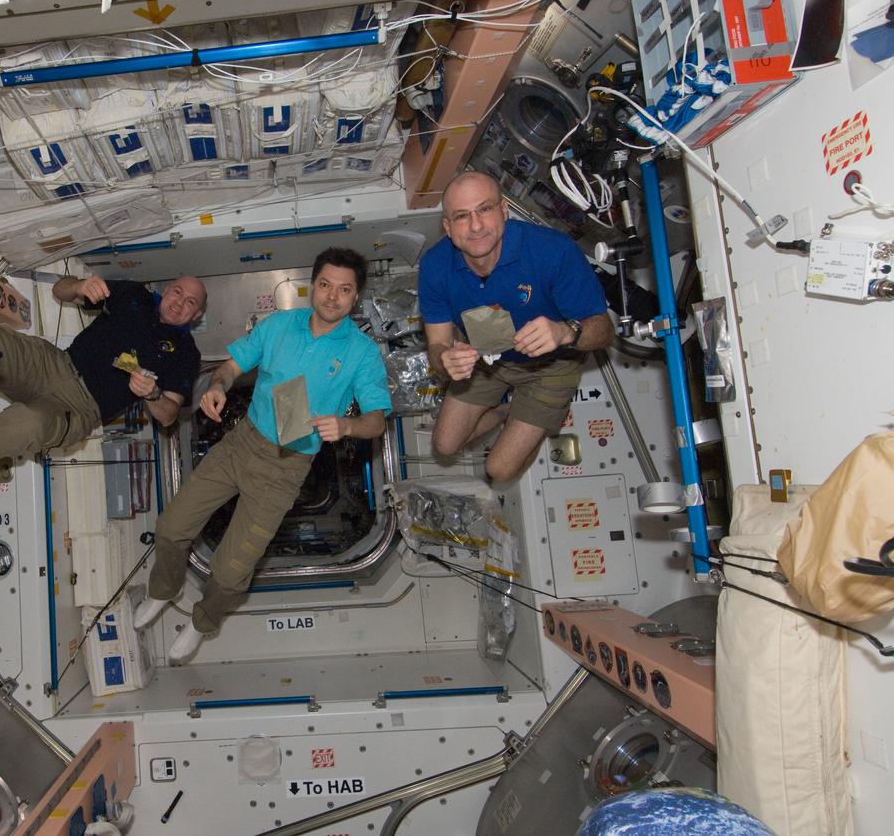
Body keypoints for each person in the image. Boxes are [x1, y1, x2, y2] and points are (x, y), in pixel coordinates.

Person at [133, 247, 392, 663]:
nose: (332, 296)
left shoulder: (361, 353)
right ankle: (163, 591)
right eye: (325, 285)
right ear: (314, 285)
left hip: (286, 469)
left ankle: (202, 622)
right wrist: (217, 385)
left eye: (344, 290)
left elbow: (377, 420)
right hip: (242, 444)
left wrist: (346, 426)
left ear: (355, 297)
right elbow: (231, 367)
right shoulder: (279, 327)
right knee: (170, 528)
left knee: (231, 574)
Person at [0, 274, 206, 479]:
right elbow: (61, 291)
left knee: (28, 425)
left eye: (190, 302)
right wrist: (80, 286)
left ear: (197, 315)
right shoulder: (135, 296)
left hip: (78, 409)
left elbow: (168, 416)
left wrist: (153, 394)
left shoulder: (186, 353)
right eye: (177, 292)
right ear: (168, 289)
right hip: (50, 363)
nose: (180, 303)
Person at [419, 170, 612, 483]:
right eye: (462, 216)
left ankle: (523, 415)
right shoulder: (435, 267)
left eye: (485, 209)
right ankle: (505, 412)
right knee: (444, 446)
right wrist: (445, 360)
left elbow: (604, 331)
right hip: (489, 353)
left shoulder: (552, 251)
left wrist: (565, 332)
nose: (476, 225)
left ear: (504, 210)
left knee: (499, 471)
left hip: (553, 366)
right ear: (447, 227)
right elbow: (437, 346)